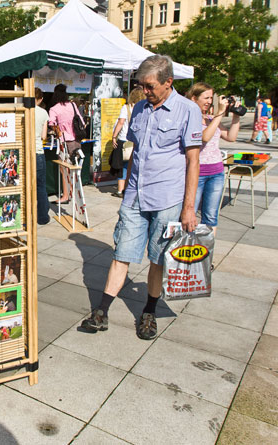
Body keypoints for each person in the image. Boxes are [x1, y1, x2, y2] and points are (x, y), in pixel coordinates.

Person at [81, 55, 202, 339]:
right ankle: (102, 311)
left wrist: (188, 208)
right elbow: (136, 151)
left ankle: (149, 312)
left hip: (168, 197)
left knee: (158, 258)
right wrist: (128, 190)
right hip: (136, 195)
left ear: (168, 82)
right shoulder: (140, 110)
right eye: (141, 86)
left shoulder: (188, 110)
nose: (144, 92)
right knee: (121, 252)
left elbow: (193, 162)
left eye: (149, 86)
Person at [185, 82, 241, 231]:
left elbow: (231, 137)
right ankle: (187, 248)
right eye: (206, 97)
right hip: (196, 173)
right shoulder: (189, 118)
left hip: (216, 172)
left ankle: (207, 252)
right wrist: (220, 114)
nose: (209, 101)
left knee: (211, 216)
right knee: (189, 215)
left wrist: (236, 116)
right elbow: (204, 137)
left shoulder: (210, 118)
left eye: (211, 98)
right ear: (193, 98)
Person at [48, 84, 85, 204]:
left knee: (64, 169)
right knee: (74, 168)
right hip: (77, 141)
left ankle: (65, 195)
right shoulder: (73, 105)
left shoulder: (54, 109)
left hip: (64, 142)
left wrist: (58, 130)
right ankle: (73, 193)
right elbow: (82, 122)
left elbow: (51, 123)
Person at [110, 87, 145, 198]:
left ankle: (120, 190)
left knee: (123, 167)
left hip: (125, 141)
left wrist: (114, 136)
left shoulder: (126, 108)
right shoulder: (145, 108)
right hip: (138, 141)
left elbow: (121, 122)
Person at [34, 87, 50, 224]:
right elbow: (44, 136)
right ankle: (43, 217)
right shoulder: (43, 113)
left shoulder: (22, 111)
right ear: (40, 99)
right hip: (38, 152)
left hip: (24, 152)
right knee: (41, 186)